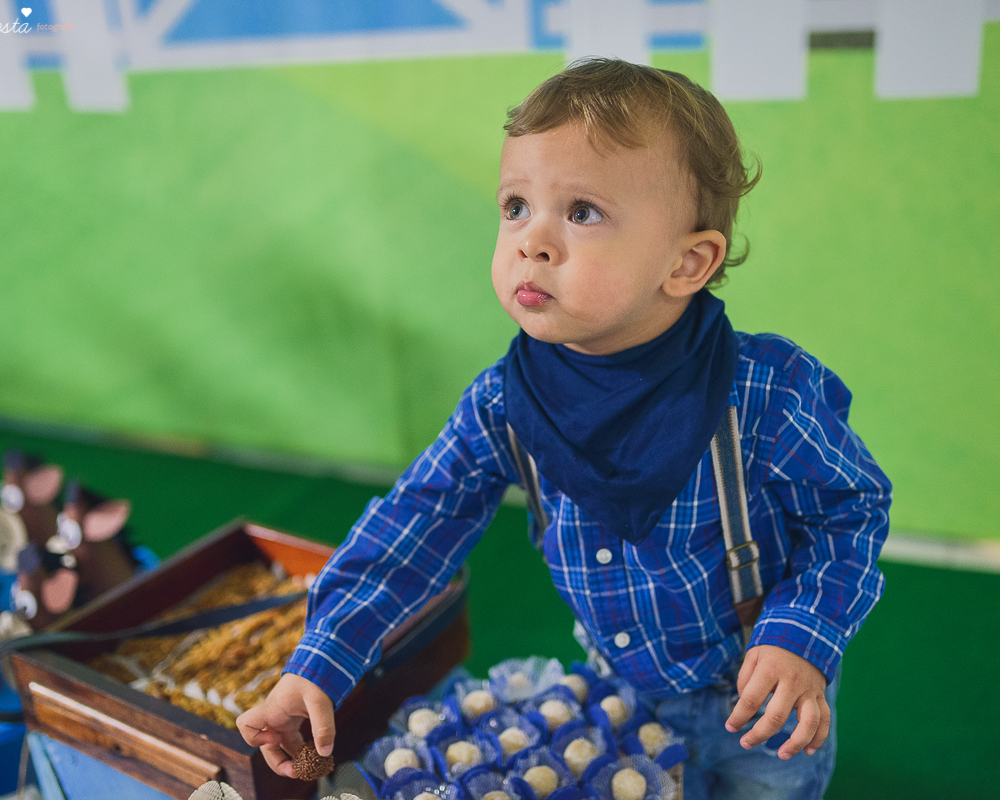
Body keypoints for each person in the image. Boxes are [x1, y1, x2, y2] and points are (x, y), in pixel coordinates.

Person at [238, 58, 892, 800]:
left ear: (687, 262)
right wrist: (319, 660)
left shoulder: (764, 390)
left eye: (582, 212)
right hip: (621, 694)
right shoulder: (505, 403)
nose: (531, 240)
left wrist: (800, 636)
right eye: (516, 206)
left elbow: (851, 511)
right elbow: (411, 527)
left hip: (759, 700)